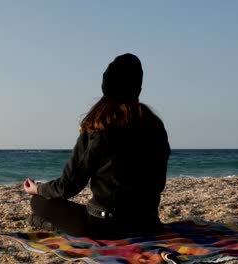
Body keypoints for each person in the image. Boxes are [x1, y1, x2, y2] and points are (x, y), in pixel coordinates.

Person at [23, 53, 170, 239]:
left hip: (106, 227)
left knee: (38, 203)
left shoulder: (99, 125)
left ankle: (52, 225)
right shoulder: (155, 125)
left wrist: (37, 189)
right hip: (147, 224)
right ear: (138, 88)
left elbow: (68, 185)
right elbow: (158, 182)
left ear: (106, 86)